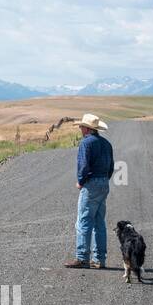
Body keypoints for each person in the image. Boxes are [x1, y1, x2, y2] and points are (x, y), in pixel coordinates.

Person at [65, 114, 114, 269]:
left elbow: (83, 165)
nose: (80, 129)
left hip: (91, 184)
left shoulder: (86, 143)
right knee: (99, 222)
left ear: (87, 128)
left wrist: (80, 181)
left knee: (84, 221)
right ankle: (99, 259)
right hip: (104, 182)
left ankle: (82, 257)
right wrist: (104, 180)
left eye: (81, 126)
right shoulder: (106, 143)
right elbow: (111, 166)